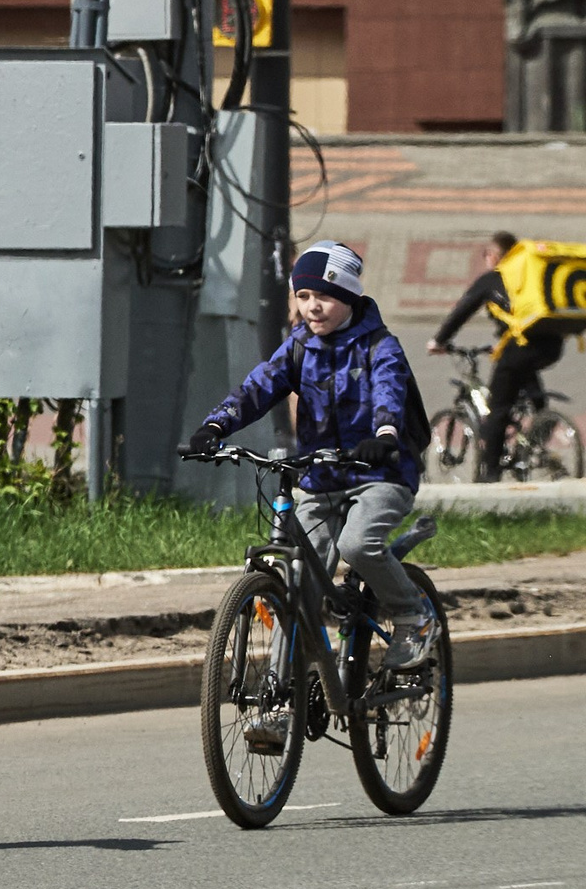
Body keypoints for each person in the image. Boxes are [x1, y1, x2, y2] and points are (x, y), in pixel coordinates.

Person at [187, 241, 438, 671]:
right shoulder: (300, 347)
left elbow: (389, 394)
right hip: (321, 479)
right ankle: (284, 697)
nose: (312, 307)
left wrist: (385, 434)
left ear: (349, 295)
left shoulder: (380, 346)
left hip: (381, 474)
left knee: (357, 544)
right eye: (303, 296)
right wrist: (216, 424)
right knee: (297, 582)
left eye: (324, 296)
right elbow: (258, 387)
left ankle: (413, 616)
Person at [428, 231, 558, 482]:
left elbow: (461, 311)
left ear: (496, 256)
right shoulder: (531, 277)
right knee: (533, 395)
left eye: (486, 254)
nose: (486, 259)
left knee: (498, 409)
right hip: (551, 344)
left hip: (519, 347)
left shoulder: (492, 279)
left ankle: (491, 475)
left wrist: (439, 341)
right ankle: (538, 446)